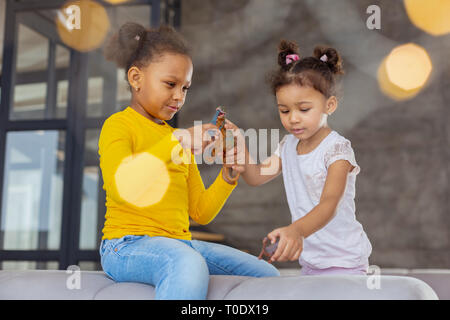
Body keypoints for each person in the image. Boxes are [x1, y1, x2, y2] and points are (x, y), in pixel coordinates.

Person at [98, 22, 279, 300]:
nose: (179, 97)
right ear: (136, 78)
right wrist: (177, 142)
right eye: (170, 84)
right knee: (186, 261)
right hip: (125, 245)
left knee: (267, 275)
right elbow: (121, 186)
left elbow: (200, 212)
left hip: (179, 243)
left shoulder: (175, 138)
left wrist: (228, 176)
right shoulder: (119, 126)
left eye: (185, 88)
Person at [229, 39, 372, 275]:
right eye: (284, 110)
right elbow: (255, 177)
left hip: (345, 262)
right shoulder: (288, 146)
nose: (292, 118)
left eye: (303, 109)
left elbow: (329, 204)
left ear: (330, 105)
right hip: (310, 263)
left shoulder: (337, 150)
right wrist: (239, 145)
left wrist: (296, 230)